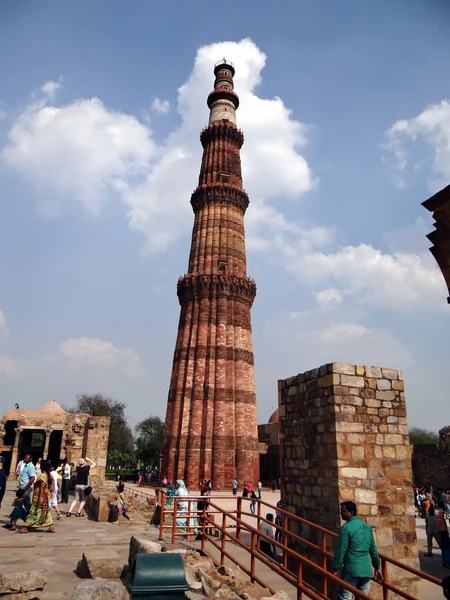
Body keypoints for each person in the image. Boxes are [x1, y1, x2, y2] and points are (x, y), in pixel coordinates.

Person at [332, 502, 382, 599]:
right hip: (366, 570)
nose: (341, 513)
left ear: (351, 512)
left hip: (351, 570)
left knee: (345, 597)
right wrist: (377, 566)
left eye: (343, 511)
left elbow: (340, 550)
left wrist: (335, 567)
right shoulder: (366, 527)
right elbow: (373, 550)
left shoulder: (345, 528)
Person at [17, 459, 55, 533]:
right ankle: (50, 525)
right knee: (44, 510)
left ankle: (26, 526)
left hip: (40, 496)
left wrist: (40, 497)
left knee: (34, 511)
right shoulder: (47, 474)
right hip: (44, 495)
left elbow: (42, 486)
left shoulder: (43, 475)